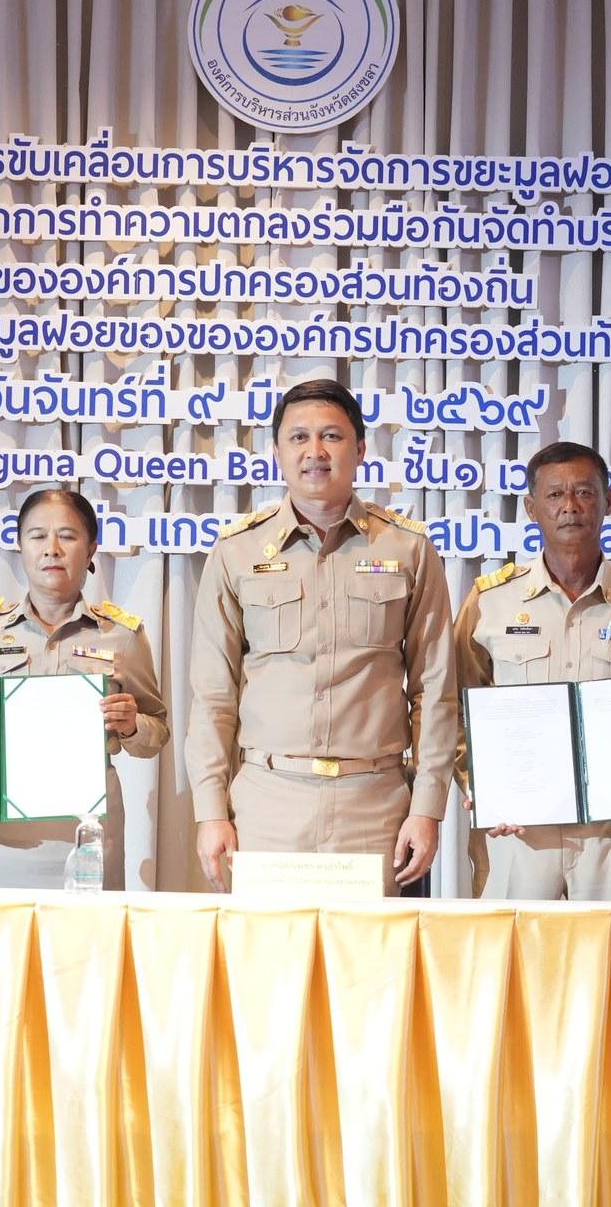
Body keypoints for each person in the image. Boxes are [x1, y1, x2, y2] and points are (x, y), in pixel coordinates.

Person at [185, 378, 457, 894]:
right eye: (299, 437)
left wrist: (427, 808)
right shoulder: (237, 551)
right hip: (268, 805)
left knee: (372, 948)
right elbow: (213, 697)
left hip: (374, 806)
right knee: (270, 948)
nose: (315, 452)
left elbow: (435, 690)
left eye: (331, 436)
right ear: (277, 453)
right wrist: (210, 810)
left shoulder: (408, 549)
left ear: (360, 450)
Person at [454, 442, 611, 901]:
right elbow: (455, 707)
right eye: (555, 494)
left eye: (584, 492)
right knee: (512, 945)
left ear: (608, 502)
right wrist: (484, 787)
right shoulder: (490, 602)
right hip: (519, 830)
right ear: (531, 508)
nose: (570, 507)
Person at [0, 488, 168, 891]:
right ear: (21, 547)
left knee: (86, 933)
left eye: (67, 536)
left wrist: (132, 724)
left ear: (91, 549)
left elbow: (156, 732)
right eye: (37, 536)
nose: (51, 548)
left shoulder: (122, 635)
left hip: (86, 834)